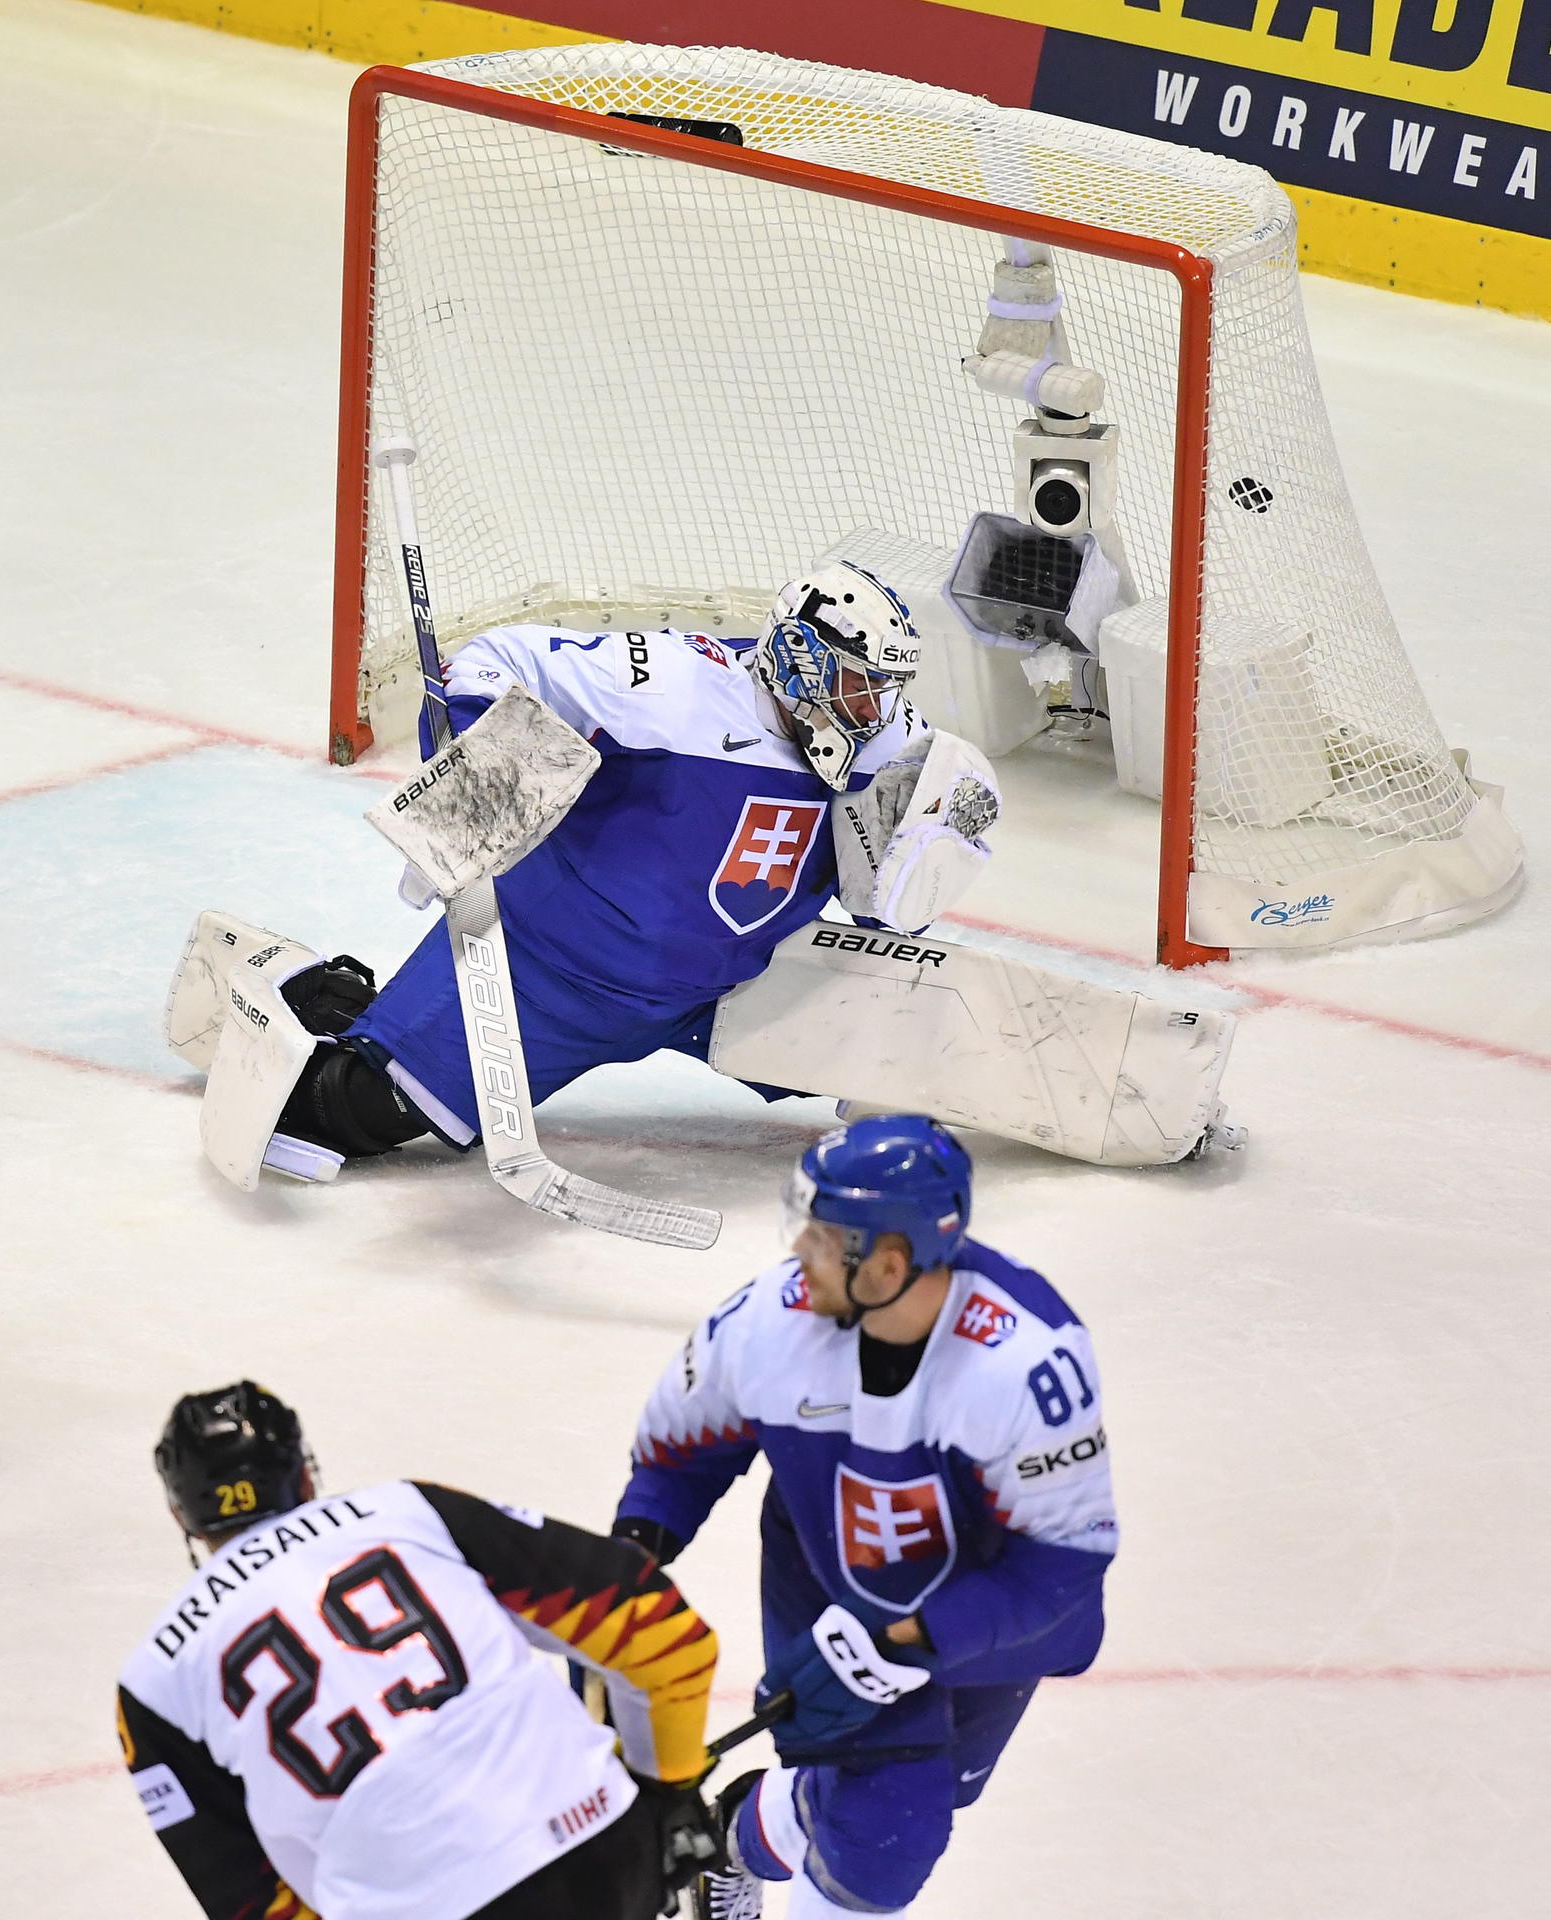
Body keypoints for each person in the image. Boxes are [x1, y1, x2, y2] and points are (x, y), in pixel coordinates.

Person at [165, 563, 1000, 1182]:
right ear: (801, 660)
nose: (874, 709)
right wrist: (486, 757)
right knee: (350, 1113)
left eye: (884, 690)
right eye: (859, 686)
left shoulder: (884, 738)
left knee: (908, 1072)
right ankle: (308, 991)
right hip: (551, 976)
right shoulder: (665, 683)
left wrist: (934, 836)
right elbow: (492, 659)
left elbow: (898, 890)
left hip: (741, 987)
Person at [610, 1116, 1118, 1919]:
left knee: (918, 1797)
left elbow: (1061, 1563)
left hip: (980, 1610)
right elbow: (680, 1452)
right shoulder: (763, 1326)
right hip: (823, 1579)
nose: (796, 1256)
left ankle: (728, 1840)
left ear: (887, 1262)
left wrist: (907, 1640)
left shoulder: (1023, 1363)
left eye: (820, 1237)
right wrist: (628, 1560)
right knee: (890, 1830)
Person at [116, 1381, 723, 1920]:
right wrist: (668, 1790)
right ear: (305, 1475)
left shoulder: (153, 1683)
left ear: (183, 1516)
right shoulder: (411, 1512)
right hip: (600, 1853)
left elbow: (244, 1899)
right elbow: (661, 1630)